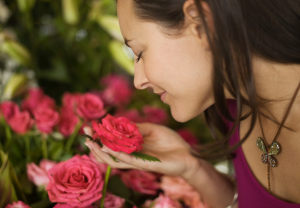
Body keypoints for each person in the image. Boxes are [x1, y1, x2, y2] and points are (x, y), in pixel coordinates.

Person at [84, 0, 300, 207]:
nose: (138, 82)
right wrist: (192, 167)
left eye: (139, 52)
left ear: (200, 22)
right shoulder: (231, 106)